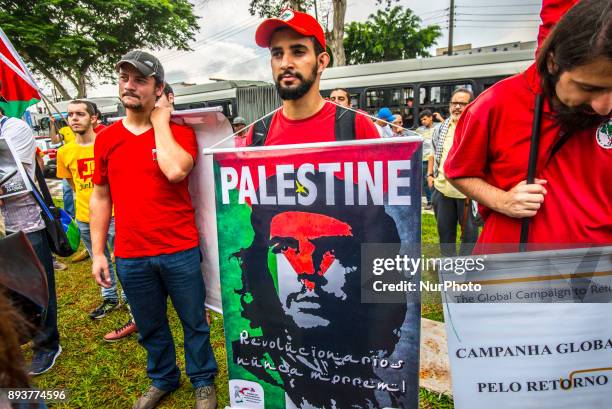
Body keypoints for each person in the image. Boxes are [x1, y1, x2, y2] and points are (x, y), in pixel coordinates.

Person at [90, 50, 217, 409]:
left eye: (140, 80)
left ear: (158, 88)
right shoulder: (107, 138)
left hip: (179, 249)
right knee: (149, 325)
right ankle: (163, 378)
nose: (129, 86)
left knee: (194, 322)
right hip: (131, 254)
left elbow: (176, 170)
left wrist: (160, 121)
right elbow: (101, 195)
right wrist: (98, 252)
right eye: (124, 78)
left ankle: (203, 381)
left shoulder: (180, 132)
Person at [233, 172, 409, 408]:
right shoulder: (256, 377)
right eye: (286, 246)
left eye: (331, 249)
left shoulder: (385, 393)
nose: (307, 270)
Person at [445, 0, 611, 248]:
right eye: (588, 88)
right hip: (513, 273)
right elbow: (458, 172)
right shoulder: (495, 104)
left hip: (597, 277)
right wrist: (503, 201)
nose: (604, 107)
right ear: (553, 63)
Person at [245, 8, 378, 146]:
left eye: (298, 52)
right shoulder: (258, 133)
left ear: (321, 62)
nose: (285, 64)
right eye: (277, 54)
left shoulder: (357, 125)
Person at [0, 90, 61, 376]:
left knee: (38, 285)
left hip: (26, 223)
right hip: (4, 225)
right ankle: (17, 336)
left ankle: (47, 344)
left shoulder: (16, 128)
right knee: (10, 288)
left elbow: (17, 174)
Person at [56, 100, 127, 321]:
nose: (74, 119)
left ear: (94, 118)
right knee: (99, 257)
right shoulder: (64, 152)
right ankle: (109, 297)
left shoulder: (107, 143)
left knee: (124, 259)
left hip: (116, 214)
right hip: (86, 216)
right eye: (70, 115)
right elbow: (72, 184)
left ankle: (129, 296)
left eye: (80, 114)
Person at [427, 88, 479, 256]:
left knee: (470, 238)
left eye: (462, 103)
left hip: (468, 195)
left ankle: (465, 274)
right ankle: (448, 273)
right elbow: (433, 153)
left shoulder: (477, 127)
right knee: (445, 237)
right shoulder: (440, 129)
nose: (457, 107)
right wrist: (429, 176)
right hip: (442, 193)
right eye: (454, 103)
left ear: (471, 105)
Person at [49, 114, 77, 220]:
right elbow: (54, 140)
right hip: (69, 164)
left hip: (81, 161)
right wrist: (52, 124)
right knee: (66, 189)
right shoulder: (65, 130)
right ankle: (70, 214)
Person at [416, 110, 438, 209]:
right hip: (424, 159)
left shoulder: (439, 126)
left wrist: (441, 118)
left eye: (425, 119)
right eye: (421, 120)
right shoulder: (419, 130)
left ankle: (438, 201)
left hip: (437, 159)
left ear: (431, 118)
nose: (423, 122)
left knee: (437, 180)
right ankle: (430, 201)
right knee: (426, 181)